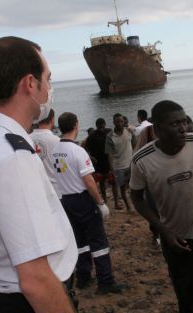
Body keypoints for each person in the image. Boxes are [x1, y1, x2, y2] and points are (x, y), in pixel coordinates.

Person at [0, 36, 78, 313]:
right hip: (28, 302)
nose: (49, 87)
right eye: (47, 78)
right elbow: (35, 278)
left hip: (2, 294)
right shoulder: (12, 157)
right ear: (30, 84)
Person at [130, 100, 193, 313]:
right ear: (157, 129)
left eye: (184, 122)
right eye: (175, 124)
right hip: (173, 237)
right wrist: (162, 229)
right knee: (184, 291)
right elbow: (136, 197)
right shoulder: (142, 160)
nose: (183, 129)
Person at [52, 112, 124, 294]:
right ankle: (105, 281)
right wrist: (100, 202)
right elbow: (89, 180)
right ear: (76, 125)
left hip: (65, 200)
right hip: (82, 199)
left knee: (80, 240)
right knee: (98, 240)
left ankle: (83, 277)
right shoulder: (77, 151)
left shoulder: (55, 150)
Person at [106, 113, 136, 212]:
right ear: (114, 122)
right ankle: (129, 207)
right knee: (122, 188)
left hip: (131, 164)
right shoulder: (110, 136)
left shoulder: (129, 131)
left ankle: (136, 205)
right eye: (117, 121)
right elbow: (109, 154)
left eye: (121, 121)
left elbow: (134, 144)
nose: (119, 123)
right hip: (118, 167)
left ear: (124, 122)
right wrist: (112, 170)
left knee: (134, 186)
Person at [87, 118, 119, 207]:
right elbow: (87, 149)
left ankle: (116, 203)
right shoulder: (92, 136)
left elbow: (116, 142)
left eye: (103, 126)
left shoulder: (109, 132)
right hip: (98, 164)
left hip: (109, 162)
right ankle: (105, 201)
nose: (101, 128)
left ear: (105, 125)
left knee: (114, 183)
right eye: (99, 127)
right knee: (102, 183)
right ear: (96, 126)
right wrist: (91, 157)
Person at [30, 108, 62, 198]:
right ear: (52, 120)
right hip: (56, 191)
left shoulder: (27, 138)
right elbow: (61, 168)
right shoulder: (58, 141)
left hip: (36, 190)